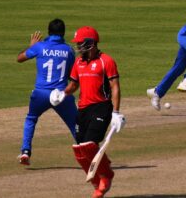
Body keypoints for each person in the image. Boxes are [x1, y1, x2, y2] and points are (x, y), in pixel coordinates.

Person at [50, 26, 126, 198]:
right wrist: (62, 93)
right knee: (79, 150)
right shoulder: (78, 62)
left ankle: (107, 175)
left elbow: (115, 87)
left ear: (91, 43)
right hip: (83, 109)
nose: (78, 47)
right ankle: (95, 181)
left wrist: (116, 112)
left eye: (80, 43)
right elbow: (74, 84)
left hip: (102, 107)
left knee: (89, 145)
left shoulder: (106, 61)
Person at [16, 18, 77, 165]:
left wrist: (32, 46)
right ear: (63, 33)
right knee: (76, 125)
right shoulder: (69, 50)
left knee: (31, 118)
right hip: (62, 94)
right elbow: (72, 75)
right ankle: (91, 151)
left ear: (49, 32)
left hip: (41, 94)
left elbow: (20, 58)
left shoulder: (40, 47)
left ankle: (25, 152)